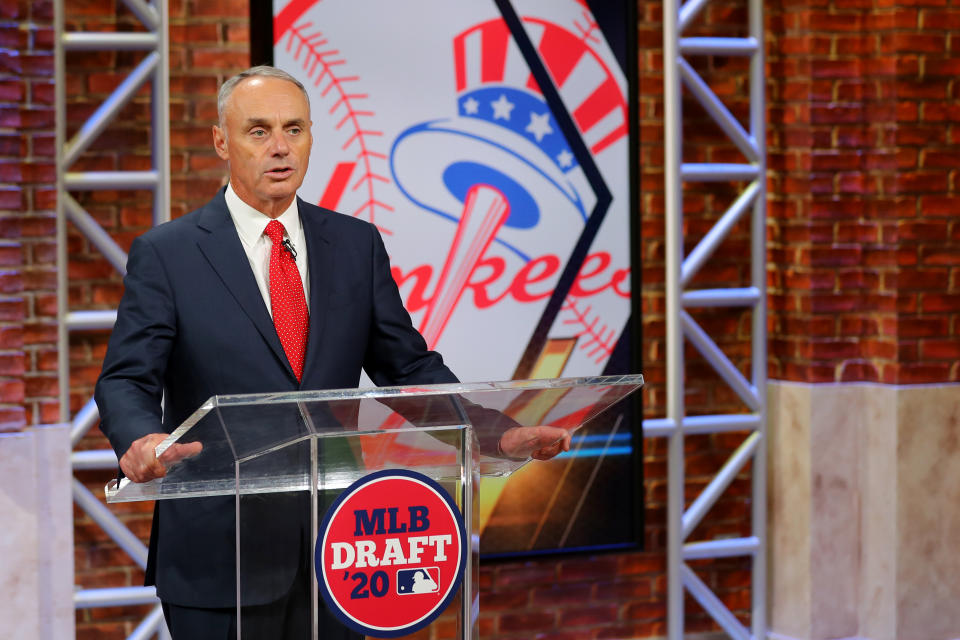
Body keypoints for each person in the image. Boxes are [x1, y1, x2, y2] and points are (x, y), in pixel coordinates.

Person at [95, 65, 571, 639]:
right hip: (218, 558)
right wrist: (140, 439)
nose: (280, 147)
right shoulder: (168, 254)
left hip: (340, 553)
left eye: (294, 129)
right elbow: (125, 379)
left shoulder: (354, 244)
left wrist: (493, 434)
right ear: (222, 141)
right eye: (259, 131)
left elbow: (409, 368)